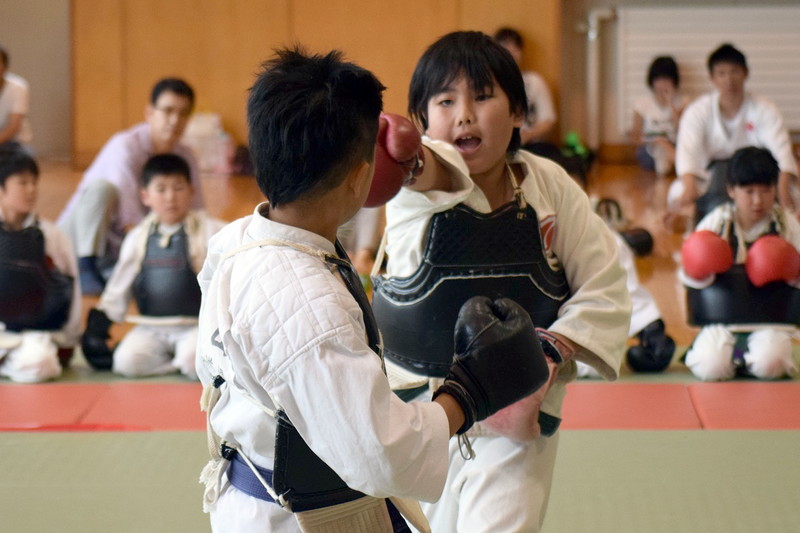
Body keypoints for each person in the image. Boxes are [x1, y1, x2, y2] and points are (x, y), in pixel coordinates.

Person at [194, 47, 551, 532]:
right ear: (362, 178)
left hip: (261, 496)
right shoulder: (308, 306)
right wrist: (466, 396)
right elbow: (381, 453)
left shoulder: (237, 242)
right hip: (303, 517)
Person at [371, 31, 631, 532]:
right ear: (423, 123)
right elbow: (441, 175)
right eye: (445, 101)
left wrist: (547, 357)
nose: (464, 114)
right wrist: (409, 158)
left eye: (483, 97)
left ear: (517, 113)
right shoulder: (412, 189)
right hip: (422, 410)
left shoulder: (550, 185)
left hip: (518, 410)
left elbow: (603, 281)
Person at [81, 154, 224, 378]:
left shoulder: (211, 231)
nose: (170, 197)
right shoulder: (138, 237)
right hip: (151, 327)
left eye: (178, 188)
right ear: (145, 196)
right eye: (161, 189)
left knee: (193, 361)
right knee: (126, 362)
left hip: (194, 326)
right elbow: (119, 286)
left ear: (191, 192)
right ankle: (173, 364)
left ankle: (181, 361)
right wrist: (99, 326)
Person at [58, 77, 203, 295]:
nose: (175, 120)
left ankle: (105, 273)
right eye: (167, 111)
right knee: (101, 189)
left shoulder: (186, 156)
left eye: (183, 113)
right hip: (79, 238)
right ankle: (85, 265)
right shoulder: (125, 146)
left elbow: (196, 211)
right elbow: (130, 218)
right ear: (149, 113)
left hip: (120, 247)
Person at [680, 146, 800, 381]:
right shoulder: (716, 223)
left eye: (766, 191)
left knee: (771, 363)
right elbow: (689, 276)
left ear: (775, 188)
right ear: (731, 190)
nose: (758, 200)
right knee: (710, 366)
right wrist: (699, 267)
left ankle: (747, 359)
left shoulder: (787, 226)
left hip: (771, 321)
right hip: (722, 321)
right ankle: (736, 356)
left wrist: (789, 265)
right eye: (749, 191)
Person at [667, 43, 798, 225]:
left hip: (754, 177)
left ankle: (775, 221)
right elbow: (688, 152)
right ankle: (692, 218)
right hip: (712, 177)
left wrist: (785, 195)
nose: (729, 79)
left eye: (735, 71)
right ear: (712, 78)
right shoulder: (697, 111)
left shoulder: (764, 108)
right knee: (676, 192)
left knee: (794, 194)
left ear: (745, 73)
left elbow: (782, 152)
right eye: (721, 73)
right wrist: (689, 190)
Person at [0, 147, 80, 382]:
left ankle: (9, 363)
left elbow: (71, 288)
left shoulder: (52, 236)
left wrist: (70, 338)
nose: (31, 190)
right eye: (22, 183)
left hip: (37, 331)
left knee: (41, 365)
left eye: (34, 182)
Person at [493, 28, 557, 152]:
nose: (511, 52)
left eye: (515, 48)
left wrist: (527, 135)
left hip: (531, 145)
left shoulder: (534, 81)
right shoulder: (490, 84)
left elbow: (548, 120)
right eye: (505, 48)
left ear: (522, 52)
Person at [629, 56, 687, 177]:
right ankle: (673, 163)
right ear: (652, 80)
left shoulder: (682, 102)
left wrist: (671, 103)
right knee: (659, 143)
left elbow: (683, 130)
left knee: (671, 146)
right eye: (659, 79)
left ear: (674, 81)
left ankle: (666, 162)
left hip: (674, 144)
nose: (662, 84)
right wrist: (656, 141)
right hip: (649, 150)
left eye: (667, 79)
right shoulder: (642, 104)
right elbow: (635, 135)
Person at [0, 46, 33, 153]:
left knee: (21, 160)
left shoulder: (18, 87)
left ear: (5, 66)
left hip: (14, 143)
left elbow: (14, 126)